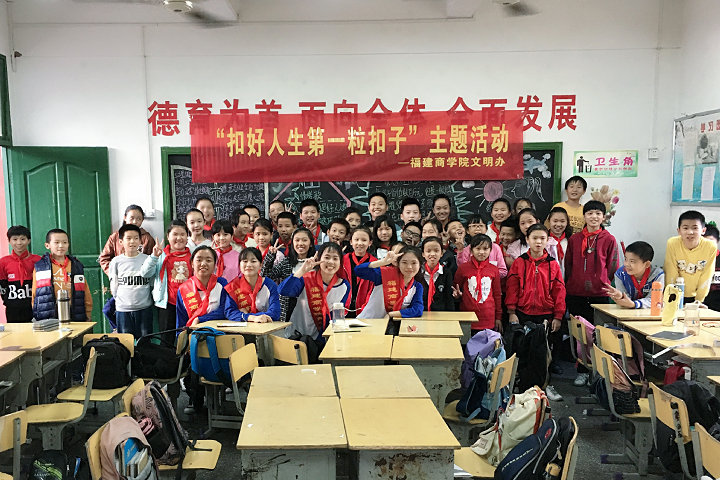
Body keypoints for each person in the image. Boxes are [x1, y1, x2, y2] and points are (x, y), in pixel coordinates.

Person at [505, 224, 566, 401]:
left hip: (545, 315)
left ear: (548, 241)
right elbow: (512, 288)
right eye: (534, 238)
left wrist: (558, 316)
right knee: (523, 351)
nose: (538, 242)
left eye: (542, 238)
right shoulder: (519, 262)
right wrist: (511, 311)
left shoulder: (553, 264)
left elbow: (559, 291)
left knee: (544, 354)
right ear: (527, 240)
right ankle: (523, 387)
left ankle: (544, 386)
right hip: (522, 313)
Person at [564, 200, 619, 386]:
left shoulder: (609, 239)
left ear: (603, 217)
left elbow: (612, 266)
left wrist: (601, 281)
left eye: (597, 213)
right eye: (590, 213)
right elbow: (568, 264)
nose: (594, 217)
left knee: (598, 334)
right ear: (584, 216)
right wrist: (573, 282)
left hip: (599, 294)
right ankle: (582, 371)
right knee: (579, 334)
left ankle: (598, 373)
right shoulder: (575, 239)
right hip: (576, 293)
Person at [176, 245, 228, 414]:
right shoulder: (184, 289)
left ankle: (218, 401)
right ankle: (195, 400)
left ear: (215, 264)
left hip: (218, 338)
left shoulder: (222, 284)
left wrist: (202, 319)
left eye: (208, 260)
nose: (203, 264)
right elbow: (181, 320)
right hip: (193, 340)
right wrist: (180, 343)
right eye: (199, 260)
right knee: (190, 366)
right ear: (192, 263)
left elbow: (226, 311)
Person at [279, 242, 350, 342]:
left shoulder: (344, 286)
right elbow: (284, 291)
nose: (331, 262)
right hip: (297, 336)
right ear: (319, 259)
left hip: (324, 340)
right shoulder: (306, 278)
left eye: (335, 258)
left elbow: (337, 317)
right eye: (327, 257)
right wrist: (302, 270)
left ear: (340, 262)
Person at [141, 220, 192, 342]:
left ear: (187, 237)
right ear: (168, 236)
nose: (179, 238)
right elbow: (145, 274)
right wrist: (154, 257)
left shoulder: (193, 255)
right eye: (175, 234)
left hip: (189, 304)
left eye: (182, 234)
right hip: (167, 304)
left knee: (186, 339)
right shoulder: (160, 255)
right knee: (166, 340)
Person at [32, 228, 92, 321]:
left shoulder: (76, 265)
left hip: (74, 314)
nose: (61, 246)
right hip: (48, 315)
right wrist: (37, 314)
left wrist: (88, 313)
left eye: (65, 242)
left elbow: (85, 291)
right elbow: (35, 294)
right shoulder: (41, 267)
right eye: (56, 242)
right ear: (47, 245)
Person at [108, 224, 154, 339]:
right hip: (123, 309)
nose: (132, 241)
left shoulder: (147, 259)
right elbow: (114, 285)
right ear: (121, 241)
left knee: (144, 341)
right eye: (128, 238)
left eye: (136, 238)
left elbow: (152, 282)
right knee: (125, 342)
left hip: (144, 308)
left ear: (140, 241)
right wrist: (121, 301)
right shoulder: (116, 262)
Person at [355, 245, 424, 319]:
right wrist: (383, 262)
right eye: (404, 262)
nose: (409, 267)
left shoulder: (417, 286)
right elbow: (358, 271)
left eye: (414, 263)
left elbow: (418, 310)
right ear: (398, 263)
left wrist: (391, 314)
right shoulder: (385, 275)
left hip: (390, 322)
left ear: (420, 265)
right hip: (368, 321)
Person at [664, 210, 717, 305]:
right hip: (675, 294)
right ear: (679, 231)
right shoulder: (672, 243)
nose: (690, 232)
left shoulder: (710, 246)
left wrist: (699, 300)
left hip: (699, 296)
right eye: (685, 228)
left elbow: (707, 274)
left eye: (695, 228)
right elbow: (671, 271)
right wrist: (673, 296)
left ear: (703, 230)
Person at [262, 228, 316, 322]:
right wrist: (271, 255)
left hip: (311, 307)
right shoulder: (287, 262)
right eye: (297, 240)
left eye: (304, 240)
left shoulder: (316, 263)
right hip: (288, 308)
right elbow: (265, 276)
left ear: (311, 243)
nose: (300, 243)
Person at [453, 234, 501, 333]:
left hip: (488, 316)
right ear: (471, 250)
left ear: (490, 250)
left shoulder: (494, 269)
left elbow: (497, 294)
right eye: (478, 248)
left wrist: (498, 317)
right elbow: (456, 287)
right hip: (467, 315)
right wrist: (457, 295)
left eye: (485, 249)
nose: (481, 252)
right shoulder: (463, 268)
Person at [224, 247, 281, 323]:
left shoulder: (270, 285)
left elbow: (275, 312)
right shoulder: (233, 286)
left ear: (260, 265)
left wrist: (245, 315)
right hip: (241, 329)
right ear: (239, 265)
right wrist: (251, 318)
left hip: (265, 327)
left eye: (253, 261)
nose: (248, 265)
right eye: (245, 261)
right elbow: (230, 312)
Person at [604, 241, 665, 309]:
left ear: (647, 264)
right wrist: (621, 297)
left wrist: (634, 304)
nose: (626, 264)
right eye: (626, 259)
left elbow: (654, 300)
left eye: (632, 261)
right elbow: (626, 300)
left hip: (649, 313)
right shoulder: (620, 274)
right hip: (627, 312)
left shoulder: (657, 275)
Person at [99, 205, 156, 275]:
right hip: (121, 278)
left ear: (142, 220)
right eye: (132, 218)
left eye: (139, 219)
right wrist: (114, 274)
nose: (135, 222)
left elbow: (153, 259)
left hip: (140, 278)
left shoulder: (147, 238)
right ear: (125, 218)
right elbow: (104, 259)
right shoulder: (115, 237)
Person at [0, 225, 41, 322]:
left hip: (35, 307)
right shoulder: (3, 262)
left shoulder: (38, 260)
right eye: (15, 239)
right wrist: (9, 302)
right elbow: (2, 286)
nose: (19, 243)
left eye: (23, 239)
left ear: (29, 240)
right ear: (9, 241)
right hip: (13, 309)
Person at [342, 227, 377, 317]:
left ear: (370, 243)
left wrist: (365, 309)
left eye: (364, 240)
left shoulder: (375, 263)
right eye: (356, 240)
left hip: (365, 311)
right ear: (351, 242)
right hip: (343, 309)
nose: (360, 243)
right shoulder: (342, 261)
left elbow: (373, 291)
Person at [420, 237, 455, 311]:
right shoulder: (418, 272)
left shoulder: (446, 272)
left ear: (441, 253)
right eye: (428, 251)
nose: (432, 254)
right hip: (420, 313)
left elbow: (449, 298)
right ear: (423, 254)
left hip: (441, 313)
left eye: (436, 251)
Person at [546, 207, 573, 277]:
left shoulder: (571, 240)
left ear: (567, 222)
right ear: (549, 221)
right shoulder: (544, 240)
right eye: (555, 221)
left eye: (562, 221)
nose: (558, 224)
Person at [703, 223, 720, 311]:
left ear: (717, 241)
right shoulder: (693, 261)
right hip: (700, 305)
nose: (707, 246)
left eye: (710, 242)